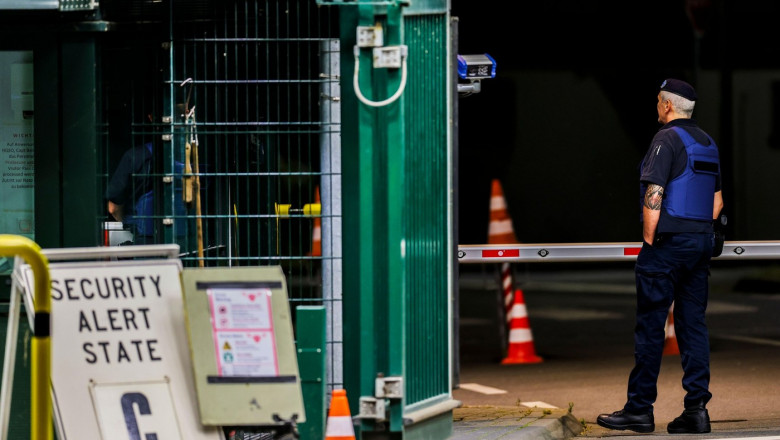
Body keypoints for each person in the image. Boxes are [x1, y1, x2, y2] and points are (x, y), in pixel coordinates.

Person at [597, 78, 724, 434]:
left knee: (651, 328)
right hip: (700, 243)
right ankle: (696, 410)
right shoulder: (708, 144)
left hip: (667, 245)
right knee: (693, 325)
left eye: (658, 102)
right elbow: (717, 202)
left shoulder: (665, 140)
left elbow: (655, 193)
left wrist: (651, 242)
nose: (657, 107)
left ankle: (639, 410)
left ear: (667, 105)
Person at [106, 141, 155, 244]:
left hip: (144, 238)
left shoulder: (136, 156)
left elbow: (113, 208)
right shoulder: (191, 156)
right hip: (187, 236)